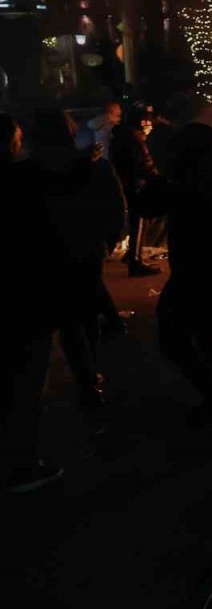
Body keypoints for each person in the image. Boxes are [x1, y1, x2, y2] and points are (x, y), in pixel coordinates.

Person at [1, 113, 94, 492]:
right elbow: (67, 188)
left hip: (21, 294)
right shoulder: (20, 178)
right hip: (24, 298)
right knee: (23, 384)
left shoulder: (23, 175)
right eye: (16, 137)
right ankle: (21, 466)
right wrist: (88, 162)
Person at [139, 124, 212, 428]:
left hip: (195, 269)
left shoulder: (188, 178)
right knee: (209, 335)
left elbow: (146, 205)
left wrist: (158, 177)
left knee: (173, 337)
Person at [29, 108, 127, 434]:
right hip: (83, 251)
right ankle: (87, 380)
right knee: (81, 321)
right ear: (70, 132)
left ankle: (65, 387)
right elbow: (114, 206)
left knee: (59, 323)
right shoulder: (91, 165)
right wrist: (107, 242)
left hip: (43, 256)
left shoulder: (28, 172)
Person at [110, 108, 162, 276]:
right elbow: (145, 163)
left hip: (124, 181)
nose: (150, 126)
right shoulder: (136, 139)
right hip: (136, 183)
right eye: (147, 122)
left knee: (136, 219)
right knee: (139, 220)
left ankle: (131, 255)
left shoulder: (120, 136)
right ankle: (136, 260)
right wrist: (158, 178)